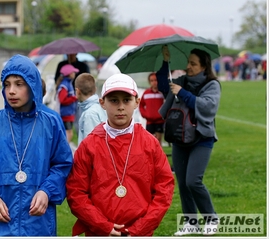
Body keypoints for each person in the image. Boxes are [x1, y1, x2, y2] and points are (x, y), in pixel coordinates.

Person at [0, 54, 73, 236]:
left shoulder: (51, 123)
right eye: (7, 84)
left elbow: (63, 165)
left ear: (32, 85)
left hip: (38, 222)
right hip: (1, 221)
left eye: (19, 84)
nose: (11, 91)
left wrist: (46, 191)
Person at [66, 73, 174, 236]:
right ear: (102, 103)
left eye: (126, 100)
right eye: (114, 100)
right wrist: (103, 226)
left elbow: (164, 187)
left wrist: (141, 228)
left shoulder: (150, 143)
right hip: (100, 232)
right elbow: (76, 191)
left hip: (139, 233)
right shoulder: (90, 145)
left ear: (137, 102)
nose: (121, 106)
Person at [156, 46, 221, 236]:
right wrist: (165, 62)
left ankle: (211, 219)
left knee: (193, 181)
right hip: (180, 138)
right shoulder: (181, 80)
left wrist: (183, 92)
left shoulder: (212, 85)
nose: (188, 67)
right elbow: (162, 85)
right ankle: (191, 222)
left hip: (202, 138)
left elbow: (207, 107)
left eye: (193, 64)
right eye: (188, 63)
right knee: (183, 183)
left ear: (203, 66)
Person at [74, 73, 107, 146]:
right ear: (95, 89)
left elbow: (91, 145)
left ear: (77, 91)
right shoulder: (100, 106)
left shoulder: (89, 114)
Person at [139, 72, 165, 145]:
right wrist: (145, 114)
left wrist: (163, 115)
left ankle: (158, 156)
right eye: (152, 80)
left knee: (158, 140)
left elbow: (167, 105)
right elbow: (141, 105)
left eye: (155, 80)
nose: (154, 82)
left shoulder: (162, 93)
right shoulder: (146, 93)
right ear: (149, 82)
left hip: (159, 121)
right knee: (149, 141)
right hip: (149, 121)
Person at [56, 64, 78, 144]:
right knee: (69, 133)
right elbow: (62, 100)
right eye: (73, 72)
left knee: (69, 133)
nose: (74, 74)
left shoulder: (68, 84)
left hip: (70, 114)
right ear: (69, 74)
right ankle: (65, 149)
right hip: (66, 114)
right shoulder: (64, 85)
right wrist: (74, 98)